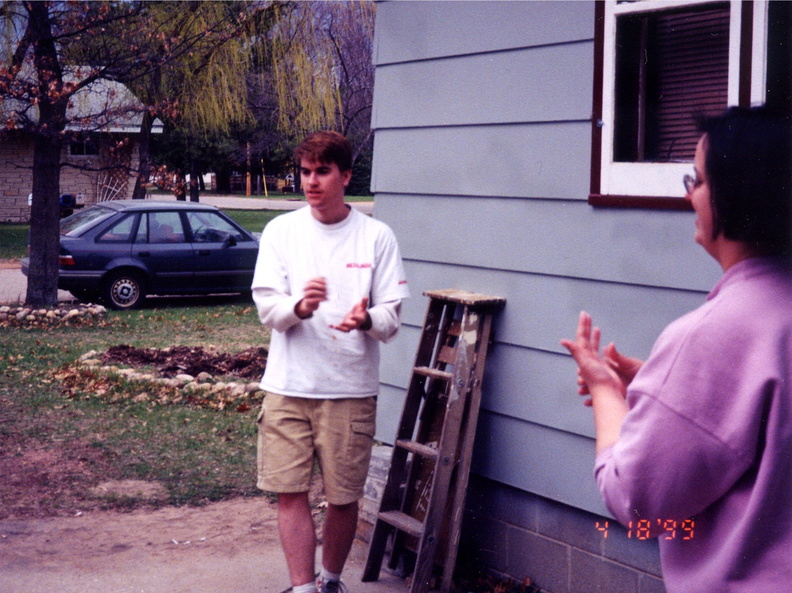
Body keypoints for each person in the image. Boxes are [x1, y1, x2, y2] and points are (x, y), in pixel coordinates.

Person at [561, 106, 792, 592]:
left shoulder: (714, 334)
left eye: (699, 179)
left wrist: (607, 392)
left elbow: (636, 497)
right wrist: (659, 387)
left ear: (738, 192)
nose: (690, 193)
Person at [251, 131, 410, 593]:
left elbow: (391, 317)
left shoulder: (376, 236)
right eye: (305, 172)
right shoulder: (282, 232)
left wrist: (366, 319)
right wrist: (299, 308)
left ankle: (331, 581)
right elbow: (267, 307)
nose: (312, 182)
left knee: (343, 498)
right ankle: (303, 588)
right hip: (288, 386)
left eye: (322, 172)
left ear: (345, 175)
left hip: (350, 389)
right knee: (290, 492)